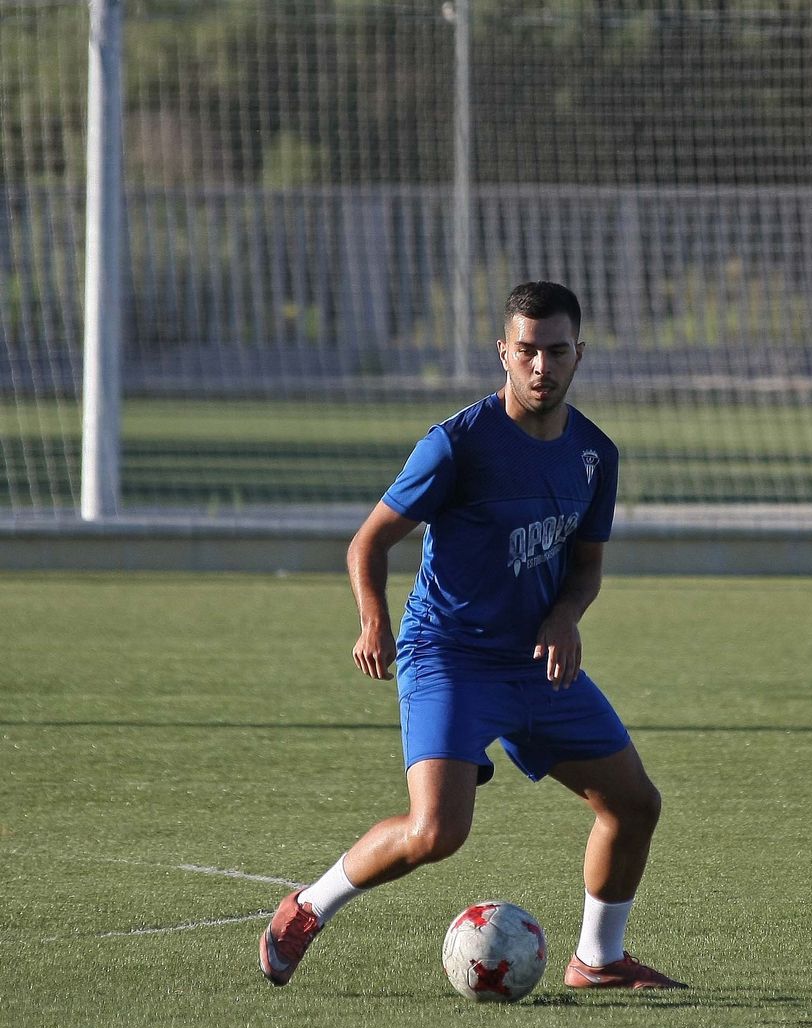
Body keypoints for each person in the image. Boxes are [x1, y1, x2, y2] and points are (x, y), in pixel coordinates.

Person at [260, 280, 684, 991]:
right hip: (448, 655)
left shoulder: (594, 455)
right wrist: (373, 616)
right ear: (504, 353)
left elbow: (586, 569)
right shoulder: (456, 445)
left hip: (535, 662)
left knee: (635, 803)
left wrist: (564, 617)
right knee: (437, 833)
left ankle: (599, 960)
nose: (541, 366)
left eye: (555, 351)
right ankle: (306, 908)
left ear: (579, 354)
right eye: (527, 351)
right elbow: (368, 543)